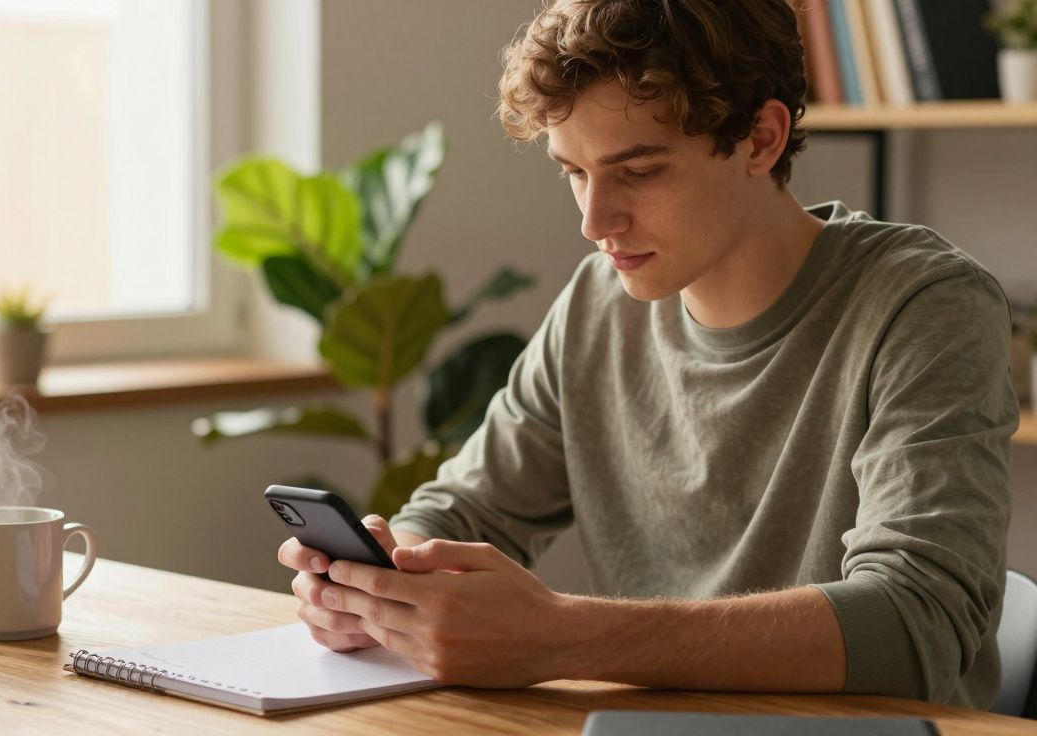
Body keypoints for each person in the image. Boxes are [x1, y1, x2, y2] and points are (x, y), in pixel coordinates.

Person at [277, 0, 1018, 709]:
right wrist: (383, 582)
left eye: (639, 171)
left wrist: (560, 637)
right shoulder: (598, 303)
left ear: (760, 139)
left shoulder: (925, 306)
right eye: (574, 171)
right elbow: (466, 508)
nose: (596, 222)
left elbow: (915, 624)